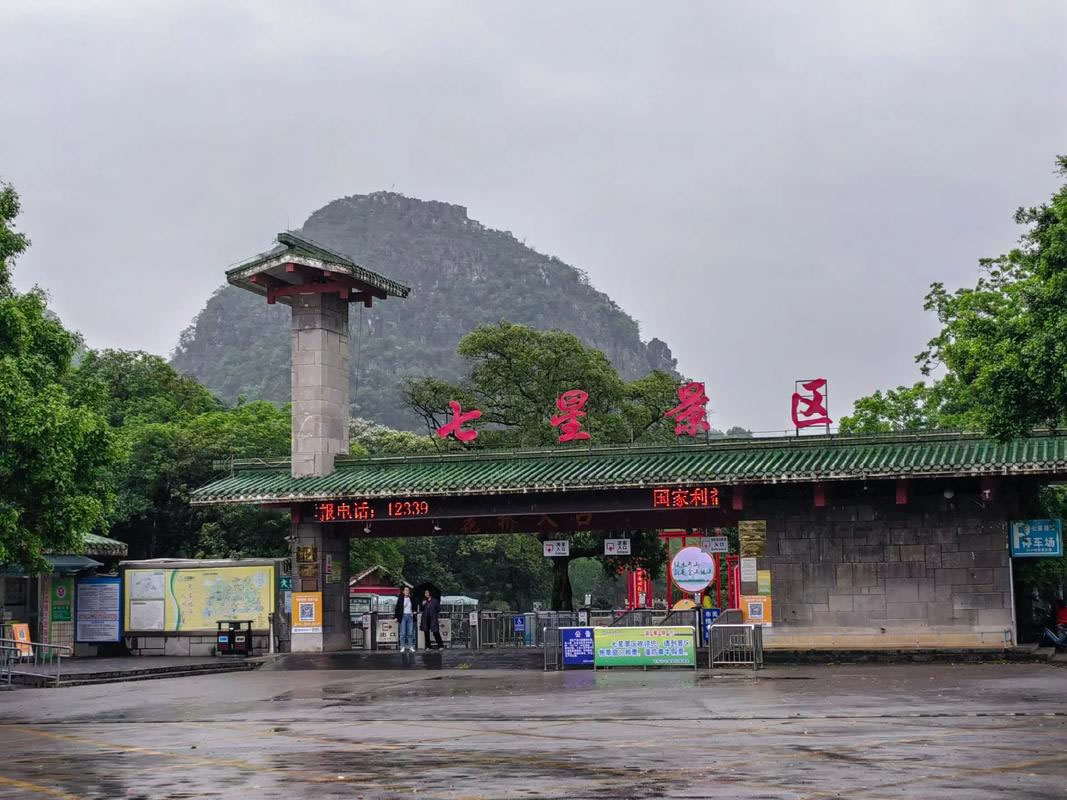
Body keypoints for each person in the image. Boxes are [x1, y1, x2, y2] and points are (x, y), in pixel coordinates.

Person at [394, 586, 416, 653]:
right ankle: (402, 647)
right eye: (406, 590)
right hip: (403, 616)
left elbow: (414, 606)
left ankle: (410, 646)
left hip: (410, 616)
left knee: (410, 633)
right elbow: (397, 608)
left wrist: (414, 611)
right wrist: (396, 617)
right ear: (403, 592)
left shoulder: (411, 598)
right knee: (403, 633)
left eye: (408, 590)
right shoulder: (400, 598)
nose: (407, 591)